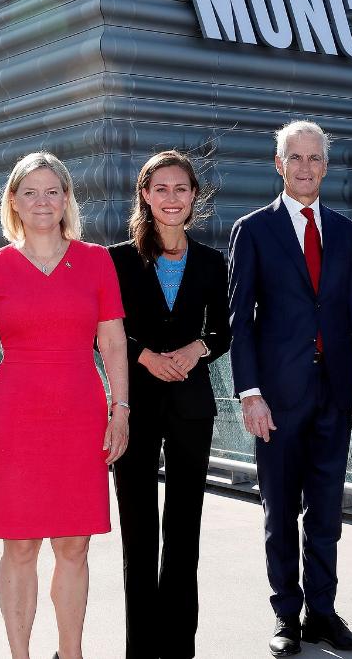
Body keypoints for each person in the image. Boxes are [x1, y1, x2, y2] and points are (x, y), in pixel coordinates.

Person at [0, 151, 129, 659]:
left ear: (66, 200)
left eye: (52, 191)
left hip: (81, 413)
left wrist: (120, 409)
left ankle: (72, 653)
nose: (42, 201)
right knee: (19, 543)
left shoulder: (97, 261)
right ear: (13, 201)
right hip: (16, 417)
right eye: (30, 192)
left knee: (75, 544)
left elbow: (114, 343)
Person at [227, 120, 352, 657]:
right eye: (296, 158)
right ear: (279, 164)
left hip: (335, 395)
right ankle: (286, 615)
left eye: (315, 158)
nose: (306, 167)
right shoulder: (253, 230)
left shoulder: (344, 229)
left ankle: (322, 612)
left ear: (326, 167)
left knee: (326, 510)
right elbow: (239, 320)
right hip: (277, 398)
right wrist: (249, 393)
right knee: (279, 510)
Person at [108, 150, 231, 659]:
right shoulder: (115, 259)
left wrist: (193, 349)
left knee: (183, 532)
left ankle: (180, 646)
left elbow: (223, 331)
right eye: (161, 189)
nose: (172, 198)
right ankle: (141, 648)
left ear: (194, 196)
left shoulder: (211, 261)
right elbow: (105, 334)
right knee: (138, 537)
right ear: (145, 194)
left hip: (190, 407)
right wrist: (143, 357)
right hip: (134, 407)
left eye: (181, 189)